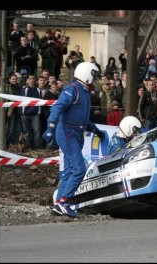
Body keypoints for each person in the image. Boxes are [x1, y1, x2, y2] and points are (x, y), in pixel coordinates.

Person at [42, 62, 106, 218]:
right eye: (94, 77)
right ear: (87, 75)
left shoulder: (84, 93)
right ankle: (64, 203)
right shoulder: (73, 89)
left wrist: (96, 131)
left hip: (75, 134)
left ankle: (58, 204)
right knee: (79, 169)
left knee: (70, 170)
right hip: (67, 133)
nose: (96, 81)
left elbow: (83, 119)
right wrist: (50, 126)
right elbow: (57, 107)